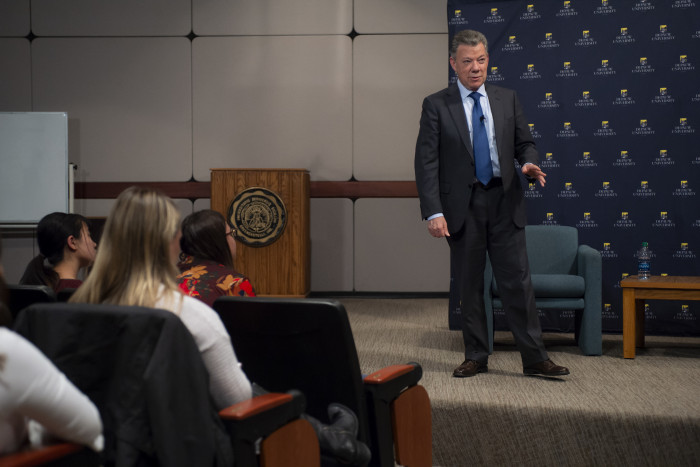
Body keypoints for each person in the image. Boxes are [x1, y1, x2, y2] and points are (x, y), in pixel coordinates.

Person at [414, 29, 569, 378]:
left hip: (504, 201)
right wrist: (434, 211)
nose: (475, 67)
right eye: (467, 61)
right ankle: (476, 356)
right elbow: (426, 162)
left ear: (488, 61)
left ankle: (534, 359)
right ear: (454, 64)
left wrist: (528, 163)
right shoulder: (437, 104)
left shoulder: (506, 98)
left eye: (481, 60)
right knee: (470, 285)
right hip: (462, 208)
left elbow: (524, 143)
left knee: (517, 283)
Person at [69, 186, 253, 409]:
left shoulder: (76, 308)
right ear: (171, 242)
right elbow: (239, 401)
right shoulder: (192, 315)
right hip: (176, 438)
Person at [0, 236, 104, 455]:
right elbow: (89, 426)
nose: (94, 242)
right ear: (71, 242)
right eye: (88, 234)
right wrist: (32, 430)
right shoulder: (7, 351)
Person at [177, 209, 256, 307]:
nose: (233, 239)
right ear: (219, 242)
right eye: (231, 233)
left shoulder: (166, 276)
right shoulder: (235, 283)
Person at [19, 212, 97, 293]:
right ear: (72, 242)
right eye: (88, 235)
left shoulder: (42, 287)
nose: (94, 244)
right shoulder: (80, 292)